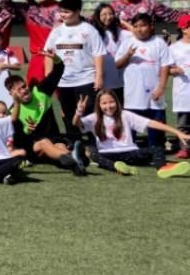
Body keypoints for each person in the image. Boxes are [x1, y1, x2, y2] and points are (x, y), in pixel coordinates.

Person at [74, 91, 190, 177]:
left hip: (130, 153)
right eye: (104, 103)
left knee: (157, 148)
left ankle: (162, 168)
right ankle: (117, 168)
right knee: (92, 152)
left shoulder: (125, 115)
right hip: (107, 155)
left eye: (111, 102)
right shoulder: (94, 118)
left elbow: (152, 123)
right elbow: (76, 124)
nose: (108, 106)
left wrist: (177, 132)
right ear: (99, 105)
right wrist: (79, 112)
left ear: (117, 102)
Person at [5, 52, 86, 176]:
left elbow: (58, 72)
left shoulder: (40, 91)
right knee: (44, 143)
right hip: (33, 148)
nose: (24, 90)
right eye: (19, 89)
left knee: (60, 146)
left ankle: (74, 162)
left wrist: (57, 60)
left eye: (24, 86)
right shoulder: (13, 111)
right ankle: (74, 161)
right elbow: (17, 140)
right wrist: (27, 130)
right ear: (12, 94)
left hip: (54, 138)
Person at [43, 0, 105, 144]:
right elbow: (48, 55)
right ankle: (74, 143)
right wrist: (49, 78)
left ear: (77, 11)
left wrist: (98, 76)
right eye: (61, 11)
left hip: (86, 79)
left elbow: (98, 54)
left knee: (88, 113)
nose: (62, 15)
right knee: (68, 113)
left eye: (67, 12)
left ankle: (93, 144)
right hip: (64, 82)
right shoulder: (56, 31)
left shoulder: (89, 30)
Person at [115, 13, 172, 165]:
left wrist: (161, 87)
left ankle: (157, 155)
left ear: (151, 26)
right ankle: (131, 155)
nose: (140, 29)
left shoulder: (159, 43)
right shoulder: (127, 42)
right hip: (133, 95)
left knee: (156, 126)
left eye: (143, 25)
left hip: (155, 95)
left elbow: (166, 66)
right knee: (131, 127)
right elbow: (117, 65)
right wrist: (128, 55)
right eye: (136, 26)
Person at [1, 0, 62, 87]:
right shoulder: (30, 10)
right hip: (37, 60)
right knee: (36, 97)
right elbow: (5, 5)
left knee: (60, 97)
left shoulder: (64, 10)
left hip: (58, 58)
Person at [91, 3, 127, 104]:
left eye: (111, 14)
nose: (108, 17)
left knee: (119, 111)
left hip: (119, 81)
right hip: (100, 81)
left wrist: (123, 23)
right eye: (104, 14)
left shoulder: (120, 32)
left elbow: (137, 35)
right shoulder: (92, 33)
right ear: (98, 16)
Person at [169, 14, 190, 160]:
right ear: (183, 28)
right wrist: (173, 71)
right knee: (183, 122)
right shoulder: (174, 48)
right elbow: (166, 68)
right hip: (183, 90)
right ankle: (185, 148)